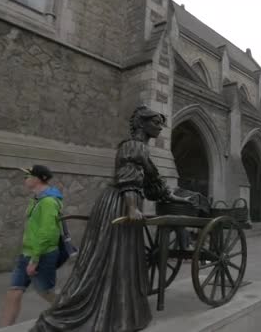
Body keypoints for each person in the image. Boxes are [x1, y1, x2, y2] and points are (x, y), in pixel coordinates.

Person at [31, 106, 196, 331]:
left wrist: (182, 199)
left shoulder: (139, 149)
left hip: (120, 203)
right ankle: (82, 313)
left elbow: (155, 187)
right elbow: (129, 179)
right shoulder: (134, 146)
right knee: (105, 259)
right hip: (120, 205)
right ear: (141, 124)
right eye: (155, 122)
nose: (160, 127)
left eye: (160, 123)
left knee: (113, 260)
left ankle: (118, 313)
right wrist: (131, 208)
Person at [0, 165, 63, 327]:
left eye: (28, 176)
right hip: (27, 253)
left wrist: (35, 260)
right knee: (14, 291)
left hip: (42, 255)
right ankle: (5, 329)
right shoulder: (36, 199)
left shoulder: (48, 202)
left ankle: (72, 311)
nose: (25, 179)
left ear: (38, 179)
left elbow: (48, 233)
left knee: (46, 292)